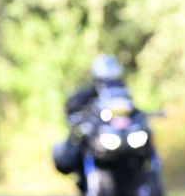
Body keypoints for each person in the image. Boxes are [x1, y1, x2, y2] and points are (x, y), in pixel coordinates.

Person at [53, 54, 136, 184]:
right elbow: (74, 105)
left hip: (121, 135)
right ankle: (83, 176)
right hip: (100, 133)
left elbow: (134, 109)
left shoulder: (123, 92)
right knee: (80, 139)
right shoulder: (90, 92)